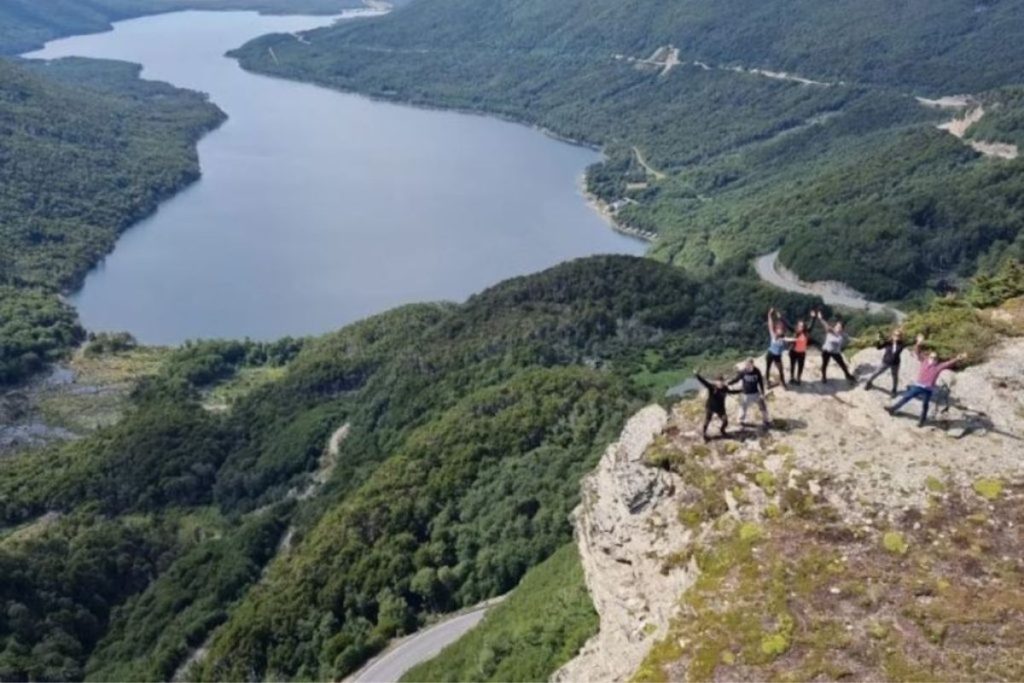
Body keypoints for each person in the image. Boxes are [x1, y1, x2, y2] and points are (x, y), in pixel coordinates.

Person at [886, 335, 967, 426]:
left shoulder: (938, 366)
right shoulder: (924, 361)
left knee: (925, 405)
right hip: (918, 386)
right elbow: (917, 352)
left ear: (937, 359)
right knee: (906, 397)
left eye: (935, 358)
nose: (933, 359)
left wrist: (958, 358)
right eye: (931, 357)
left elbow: (949, 363)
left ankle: (922, 421)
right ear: (928, 357)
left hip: (928, 389)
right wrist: (919, 343)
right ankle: (893, 409)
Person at [812, 310, 856, 384]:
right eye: (837, 326)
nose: (838, 328)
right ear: (835, 326)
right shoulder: (830, 330)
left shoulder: (842, 334)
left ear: (842, 328)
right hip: (826, 351)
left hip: (835, 352)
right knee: (825, 364)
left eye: (840, 327)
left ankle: (847, 375)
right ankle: (823, 377)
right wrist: (820, 318)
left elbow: (850, 338)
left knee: (842, 364)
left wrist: (860, 341)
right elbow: (824, 324)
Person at [695, 371, 741, 440]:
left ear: (723, 382)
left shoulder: (725, 388)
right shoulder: (712, 387)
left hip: (720, 408)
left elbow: (731, 392)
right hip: (710, 407)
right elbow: (704, 382)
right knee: (707, 421)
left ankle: (722, 431)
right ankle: (704, 435)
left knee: (725, 421)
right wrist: (697, 375)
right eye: (718, 381)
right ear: (716, 382)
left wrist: (741, 390)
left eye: (721, 381)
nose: (720, 383)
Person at [729, 358, 771, 429]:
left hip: (755, 392)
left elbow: (760, 382)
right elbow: (736, 379)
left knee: (762, 406)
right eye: (746, 364)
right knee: (743, 407)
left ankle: (766, 420)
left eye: (749, 364)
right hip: (746, 393)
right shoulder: (743, 372)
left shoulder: (757, 371)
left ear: (752, 364)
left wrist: (762, 393)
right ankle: (741, 421)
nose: (747, 366)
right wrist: (728, 383)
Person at [865, 328, 907, 395]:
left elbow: (897, 351)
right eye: (895, 335)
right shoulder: (888, 342)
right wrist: (878, 339)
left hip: (895, 363)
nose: (896, 336)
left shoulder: (901, 344)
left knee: (895, 376)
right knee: (877, 372)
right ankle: (868, 382)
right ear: (892, 335)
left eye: (898, 335)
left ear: (901, 337)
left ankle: (894, 390)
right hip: (886, 362)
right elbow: (878, 347)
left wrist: (918, 343)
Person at [765, 308, 789, 389]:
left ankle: (783, 382)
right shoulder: (773, 334)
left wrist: (780, 317)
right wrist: (769, 315)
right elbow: (770, 324)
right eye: (778, 329)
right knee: (768, 368)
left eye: (781, 329)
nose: (780, 330)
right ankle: (767, 382)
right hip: (770, 354)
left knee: (781, 369)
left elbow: (786, 325)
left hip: (778, 356)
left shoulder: (783, 338)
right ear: (776, 329)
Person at [787, 317, 813, 385]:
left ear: (804, 327)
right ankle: (792, 378)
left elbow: (811, 326)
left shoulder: (806, 333)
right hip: (793, 351)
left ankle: (798, 379)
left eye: (802, 326)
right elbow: (788, 325)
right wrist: (780, 318)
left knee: (800, 366)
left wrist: (813, 317)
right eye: (799, 325)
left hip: (801, 353)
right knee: (792, 365)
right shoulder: (795, 331)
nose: (801, 327)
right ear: (797, 326)